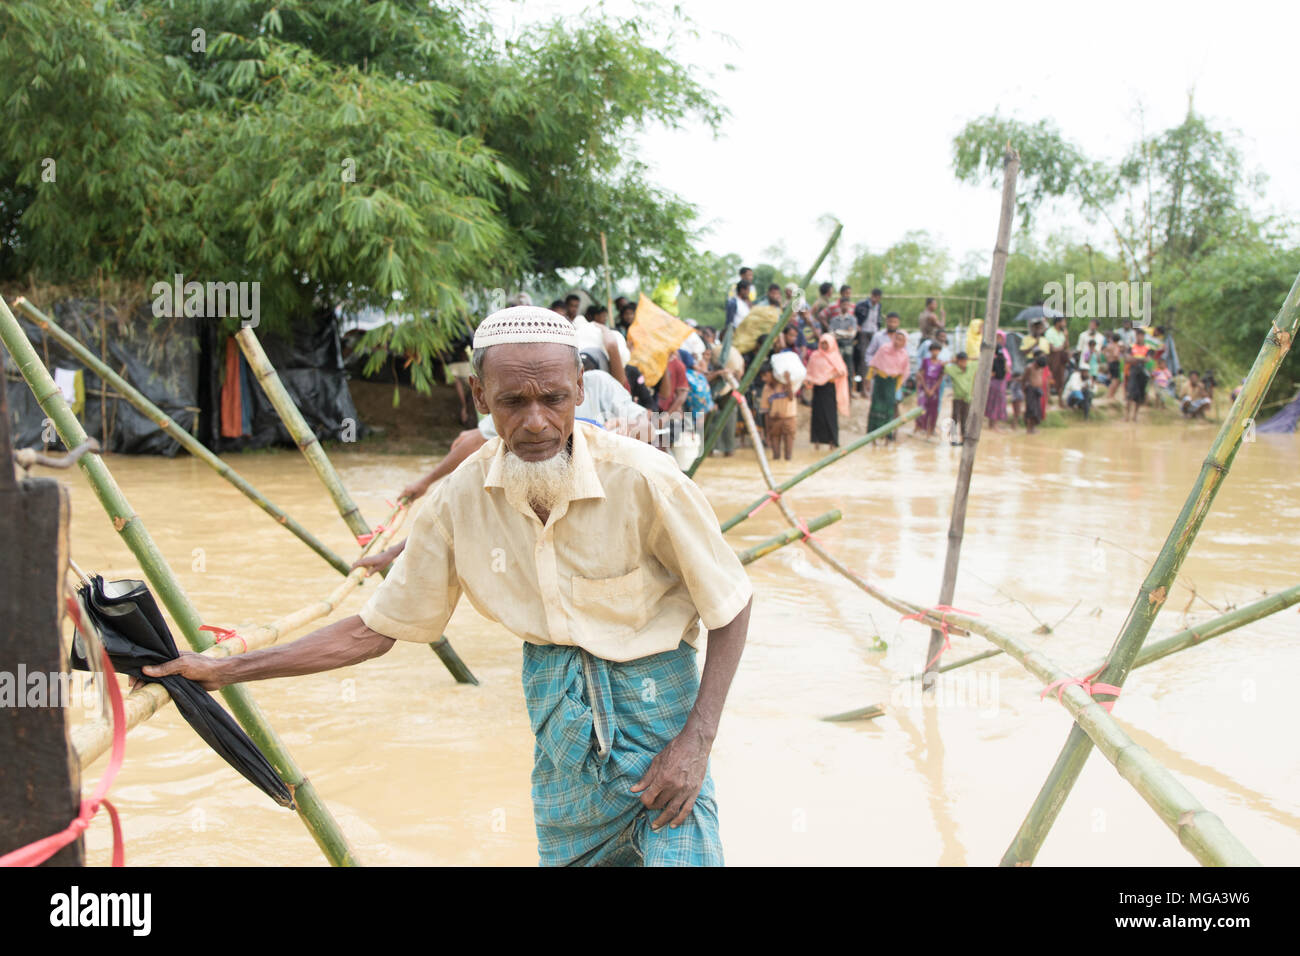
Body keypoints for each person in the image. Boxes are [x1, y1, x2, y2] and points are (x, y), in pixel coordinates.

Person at [152, 306, 752, 867]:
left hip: (661, 730)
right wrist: (219, 670)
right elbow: (373, 631)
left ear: (579, 387)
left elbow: (731, 605)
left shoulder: (645, 480)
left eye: (554, 398)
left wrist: (695, 745)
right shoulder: (461, 497)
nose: (536, 421)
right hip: (560, 741)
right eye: (512, 402)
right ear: (478, 395)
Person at [805, 332, 848, 449]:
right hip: (818, 389)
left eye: (826, 343)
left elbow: (842, 371)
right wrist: (811, 381)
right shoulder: (815, 356)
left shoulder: (836, 357)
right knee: (817, 416)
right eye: (822, 343)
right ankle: (817, 442)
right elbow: (810, 372)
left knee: (830, 415)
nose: (824, 346)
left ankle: (832, 442)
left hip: (829, 389)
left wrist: (831, 377)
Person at [866, 329, 910, 440]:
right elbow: (873, 365)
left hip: (892, 383)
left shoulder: (904, 355)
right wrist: (868, 379)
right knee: (876, 407)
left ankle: (888, 435)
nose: (898, 342)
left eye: (901, 340)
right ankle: (872, 435)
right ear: (893, 338)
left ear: (905, 342)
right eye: (897, 338)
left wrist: (896, 388)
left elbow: (904, 373)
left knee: (889, 409)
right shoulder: (884, 349)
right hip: (880, 381)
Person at [761, 365, 799, 460]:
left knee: (788, 456)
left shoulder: (785, 384)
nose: (763, 379)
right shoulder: (766, 389)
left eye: (765, 375)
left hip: (788, 419)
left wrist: (788, 381)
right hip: (774, 421)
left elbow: (791, 397)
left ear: (771, 374)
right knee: (776, 456)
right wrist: (767, 432)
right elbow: (765, 411)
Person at [944, 351, 977, 445]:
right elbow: (944, 365)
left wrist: (970, 359)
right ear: (957, 361)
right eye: (961, 361)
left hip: (967, 399)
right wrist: (953, 361)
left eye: (965, 361)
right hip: (957, 398)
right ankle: (952, 440)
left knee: (965, 420)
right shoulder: (953, 369)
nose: (963, 363)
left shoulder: (971, 367)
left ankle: (964, 439)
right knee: (954, 419)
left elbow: (980, 360)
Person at [985, 329, 1011, 430]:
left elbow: (989, 372)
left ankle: (991, 424)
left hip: (992, 382)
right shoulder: (1003, 359)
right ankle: (994, 425)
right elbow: (1008, 370)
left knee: (992, 403)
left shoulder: (992, 359)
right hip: (1000, 384)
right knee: (998, 404)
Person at [917, 341, 944, 436]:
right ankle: (921, 428)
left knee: (933, 409)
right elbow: (921, 375)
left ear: (940, 351)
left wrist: (933, 389)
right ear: (930, 351)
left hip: (935, 389)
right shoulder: (925, 361)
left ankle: (931, 429)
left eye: (937, 350)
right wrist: (925, 388)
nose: (935, 352)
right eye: (933, 350)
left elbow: (940, 378)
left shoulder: (941, 364)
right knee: (922, 407)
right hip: (924, 387)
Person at [1125, 328, 1151, 421]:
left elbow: (1148, 359)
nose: (1139, 337)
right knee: (1130, 394)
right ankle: (1127, 416)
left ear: (1143, 337)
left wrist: (1136, 359)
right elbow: (1128, 359)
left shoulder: (1147, 348)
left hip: (1142, 372)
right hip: (1133, 371)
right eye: (1138, 335)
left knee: (1140, 395)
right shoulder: (1132, 347)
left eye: (1141, 336)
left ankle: (1135, 416)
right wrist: (1140, 360)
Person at [1044, 315, 1070, 406]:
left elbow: (1066, 346)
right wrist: (1061, 347)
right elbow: (1052, 348)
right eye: (1063, 322)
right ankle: (1048, 399)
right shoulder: (1050, 332)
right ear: (1058, 323)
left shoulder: (1062, 333)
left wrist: (1066, 336)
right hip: (1053, 358)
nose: (1064, 324)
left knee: (1061, 379)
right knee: (1050, 377)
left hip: (1061, 358)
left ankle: (1060, 399)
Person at [1023, 354, 1047, 434]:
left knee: (1037, 410)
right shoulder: (1029, 367)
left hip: (1037, 390)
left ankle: (1033, 428)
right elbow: (1024, 379)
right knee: (1031, 410)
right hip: (1030, 390)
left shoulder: (1041, 369)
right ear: (1036, 363)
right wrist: (1023, 389)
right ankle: (1029, 429)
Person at [1103, 334, 1124, 400]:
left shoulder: (1109, 345)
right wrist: (1120, 360)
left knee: (1112, 380)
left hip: (1110, 363)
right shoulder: (1116, 346)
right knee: (1115, 380)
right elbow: (1115, 354)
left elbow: (1104, 353)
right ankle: (1111, 395)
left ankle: (1110, 394)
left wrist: (1108, 358)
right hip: (1115, 363)